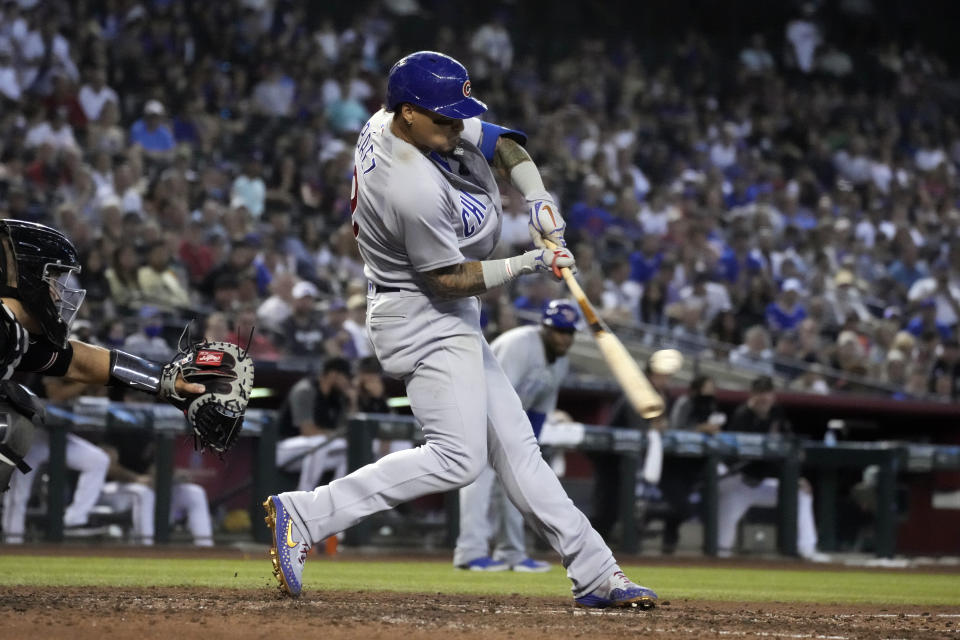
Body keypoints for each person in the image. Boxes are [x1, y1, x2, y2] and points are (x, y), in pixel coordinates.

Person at [263, 51, 657, 609]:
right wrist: (528, 263)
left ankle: (597, 573)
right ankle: (305, 514)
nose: (455, 127)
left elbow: (505, 143)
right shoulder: (408, 185)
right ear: (406, 116)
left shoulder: (412, 117)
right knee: (458, 458)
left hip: (444, 313)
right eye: (443, 120)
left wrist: (539, 199)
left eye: (456, 116)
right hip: (419, 314)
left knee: (519, 452)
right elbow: (449, 279)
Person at [0, 220, 205, 500]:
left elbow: (80, 361)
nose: (58, 293)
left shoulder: (11, 332)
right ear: (23, 275)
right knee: (11, 423)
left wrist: (166, 380)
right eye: (52, 279)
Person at [453, 299, 578, 573]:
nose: (563, 338)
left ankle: (511, 552)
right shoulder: (519, 343)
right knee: (478, 479)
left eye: (568, 332)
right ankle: (470, 552)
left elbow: (540, 408)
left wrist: (526, 449)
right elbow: (494, 392)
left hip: (508, 422)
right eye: (558, 330)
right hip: (476, 411)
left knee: (518, 481)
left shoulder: (561, 362)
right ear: (544, 327)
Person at [716, 375, 826, 561]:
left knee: (801, 494)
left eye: (767, 394)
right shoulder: (742, 415)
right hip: (740, 483)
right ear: (752, 395)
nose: (764, 399)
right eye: (760, 394)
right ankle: (719, 554)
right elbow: (738, 455)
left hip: (764, 483)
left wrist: (795, 479)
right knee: (722, 543)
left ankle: (807, 548)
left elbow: (788, 449)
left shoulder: (777, 414)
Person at [275, 358, 355, 492]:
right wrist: (334, 435)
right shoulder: (305, 390)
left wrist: (353, 403)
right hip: (285, 449)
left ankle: (335, 497)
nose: (349, 382)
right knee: (318, 442)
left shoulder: (337, 398)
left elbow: (347, 432)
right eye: (346, 377)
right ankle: (303, 494)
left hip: (313, 452)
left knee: (348, 452)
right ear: (333, 374)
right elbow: (308, 431)